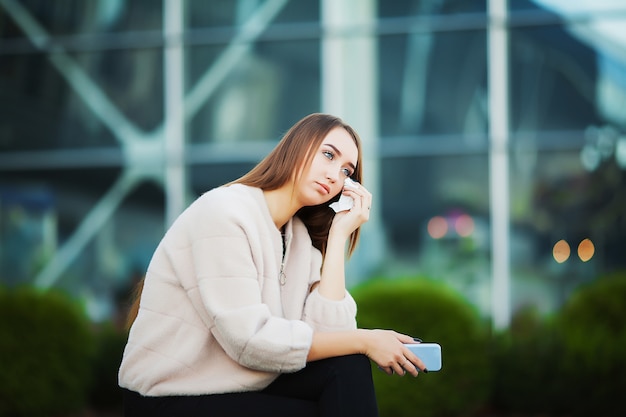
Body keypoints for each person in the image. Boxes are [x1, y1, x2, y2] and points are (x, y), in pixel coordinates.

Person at [118, 113, 427, 417]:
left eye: (347, 171)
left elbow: (331, 339)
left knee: (348, 366)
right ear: (296, 147)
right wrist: (366, 339)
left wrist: (338, 236)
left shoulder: (299, 239)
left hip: (238, 382)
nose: (335, 175)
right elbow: (249, 341)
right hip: (167, 395)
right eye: (328, 155)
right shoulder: (225, 213)